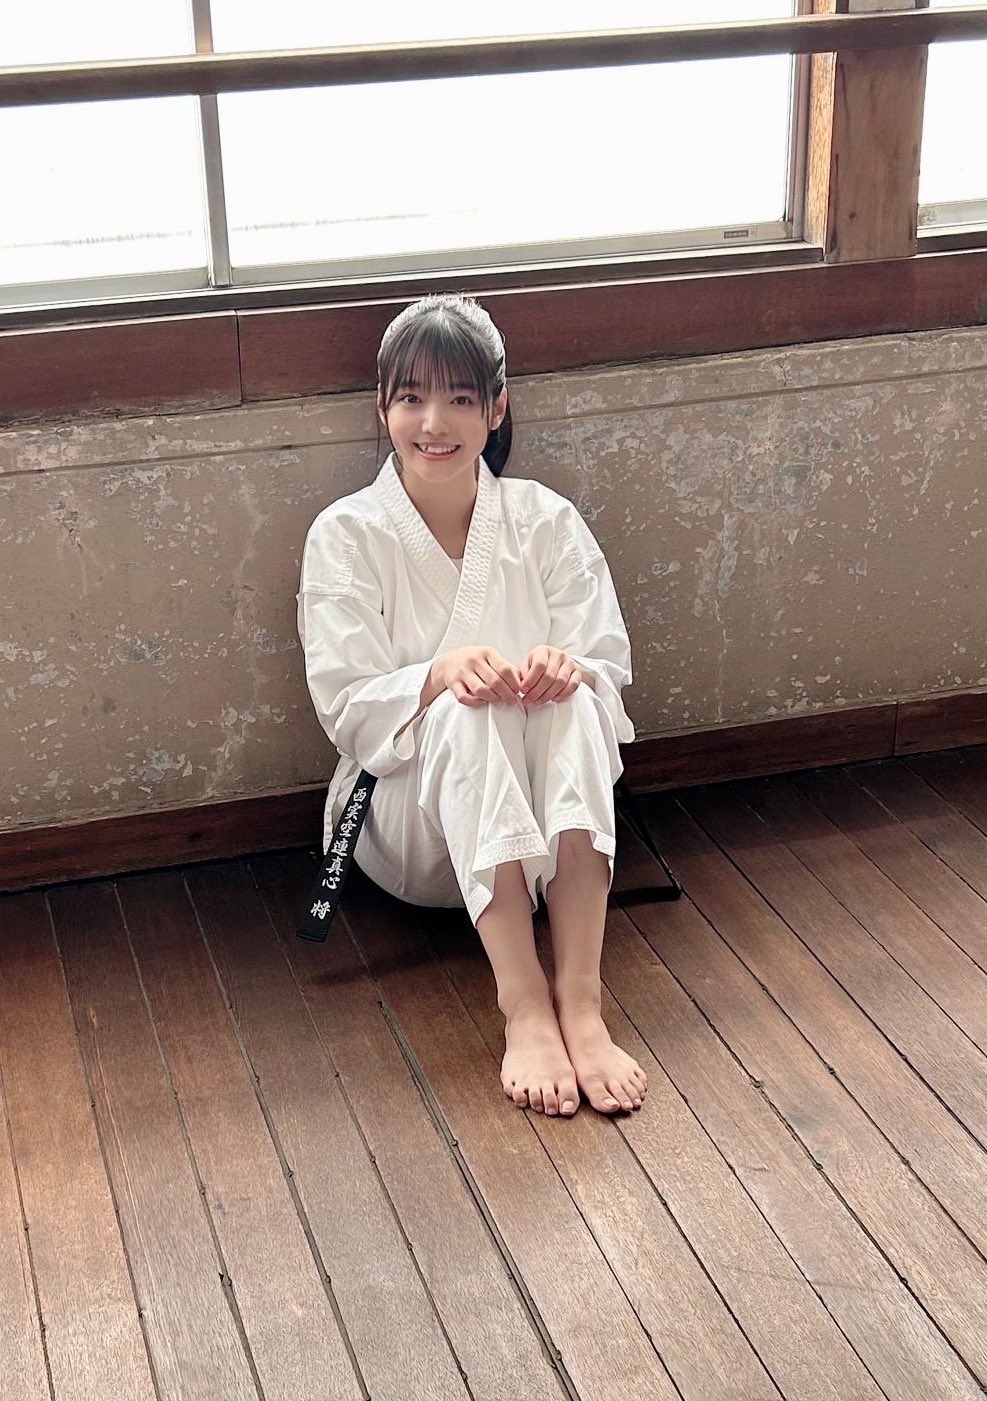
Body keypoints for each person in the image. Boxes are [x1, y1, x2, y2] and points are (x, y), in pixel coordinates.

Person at [297, 293, 647, 1118]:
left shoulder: (546, 520)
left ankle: (581, 1002)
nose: (434, 422)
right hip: (410, 831)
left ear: (496, 407)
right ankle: (522, 1005)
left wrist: (568, 668)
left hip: (543, 838)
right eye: (411, 397)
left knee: (572, 698)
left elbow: (608, 671)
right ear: (382, 407)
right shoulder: (344, 534)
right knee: (462, 706)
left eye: (459, 397)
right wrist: (437, 674)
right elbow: (347, 708)